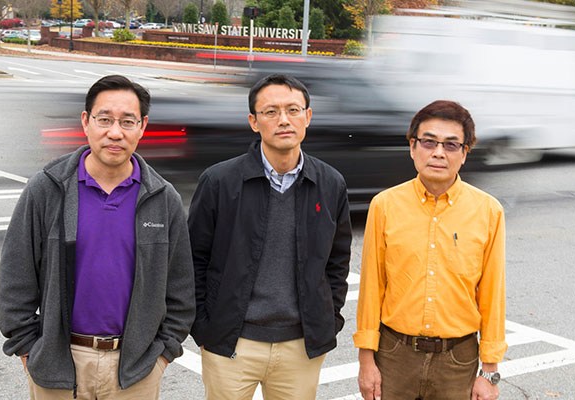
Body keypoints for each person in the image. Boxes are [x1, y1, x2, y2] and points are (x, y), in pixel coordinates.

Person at [0, 75, 195, 400]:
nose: (115, 132)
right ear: (86, 122)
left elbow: (181, 289)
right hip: (58, 365)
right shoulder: (46, 190)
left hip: (136, 372)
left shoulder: (162, 198)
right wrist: (29, 349)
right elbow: (15, 279)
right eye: (104, 119)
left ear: (142, 126)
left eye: (127, 122)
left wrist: (161, 355)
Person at [188, 73, 352, 400]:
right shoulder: (220, 181)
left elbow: (337, 261)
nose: (283, 120)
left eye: (293, 110)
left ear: (308, 116)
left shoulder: (330, 183)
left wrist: (328, 320)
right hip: (233, 343)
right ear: (253, 121)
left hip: (300, 346)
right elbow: (193, 260)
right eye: (271, 111)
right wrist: (205, 328)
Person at [354, 100, 506, 400]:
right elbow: (373, 287)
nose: (438, 152)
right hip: (395, 355)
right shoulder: (385, 205)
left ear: (465, 153)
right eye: (428, 142)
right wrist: (366, 361)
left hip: (457, 360)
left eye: (451, 145)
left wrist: (489, 372)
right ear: (413, 148)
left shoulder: (488, 211)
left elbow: (492, 294)